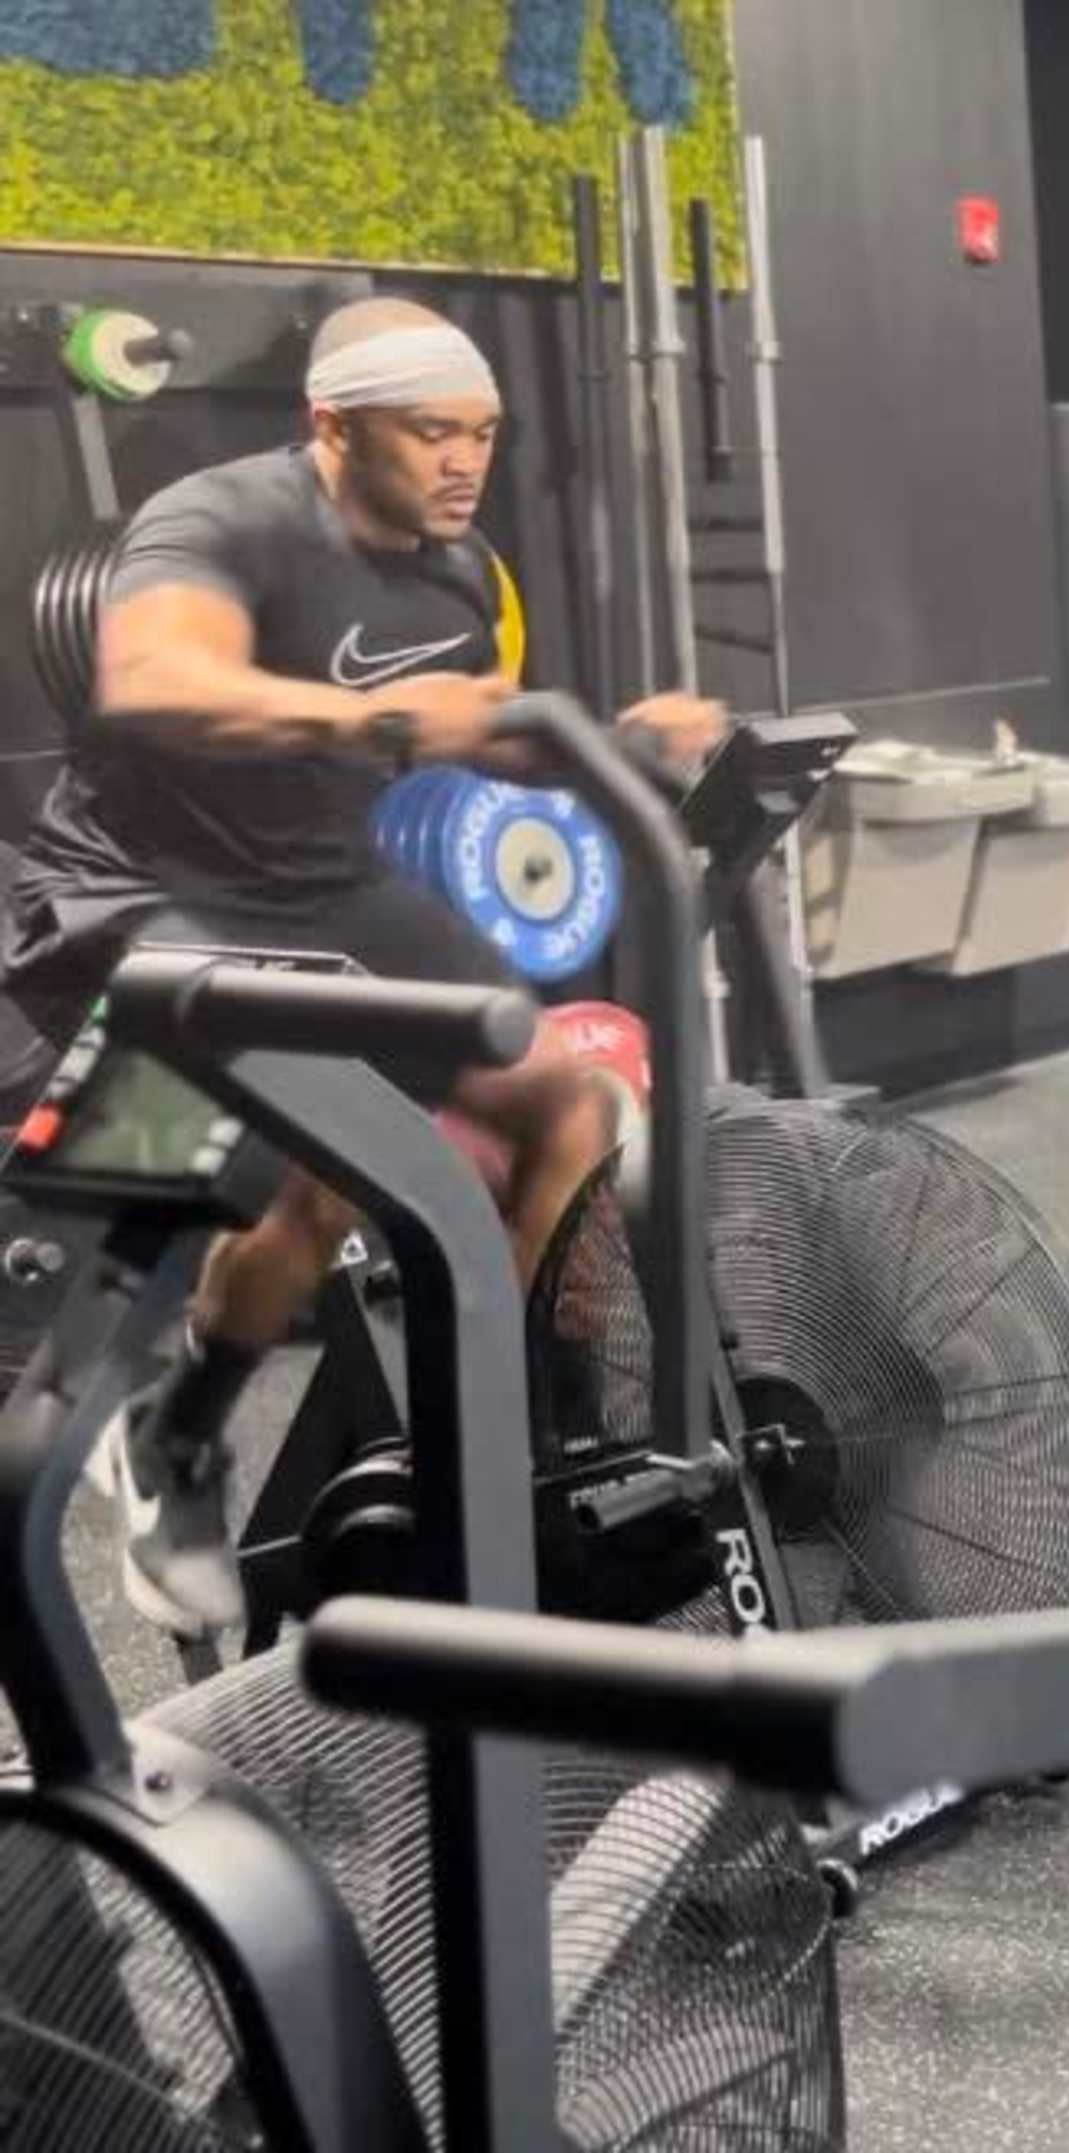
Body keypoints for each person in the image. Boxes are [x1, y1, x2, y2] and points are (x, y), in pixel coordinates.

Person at [2, 297, 724, 1637]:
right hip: (141, 897)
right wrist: (377, 717)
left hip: (325, 889)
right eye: (431, 431)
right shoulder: (222, 519)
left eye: (484, 434)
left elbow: (470, 733)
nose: (465, 460)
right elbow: (153, 683)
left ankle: (518, 1456)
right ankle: (177, 1433)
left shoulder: (462, 572)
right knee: (317, 1156)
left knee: (562, 1106)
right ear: (332, 427)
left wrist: (613, 746)